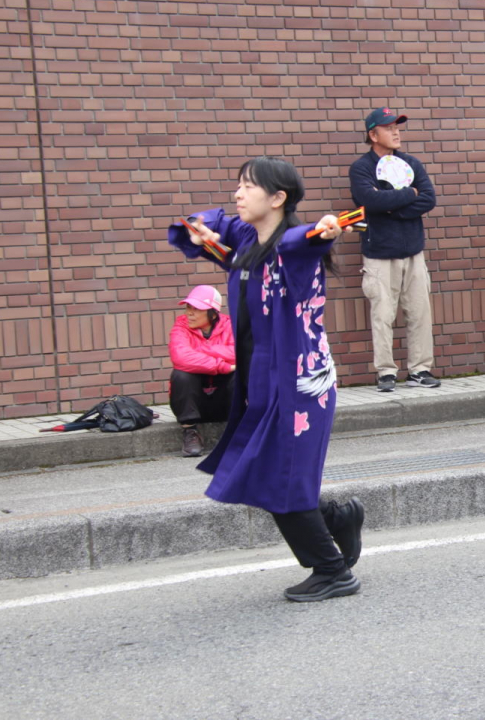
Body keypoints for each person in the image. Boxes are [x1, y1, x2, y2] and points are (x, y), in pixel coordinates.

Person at [169, 156, 365, 603]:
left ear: (278, 198)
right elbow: (208, 223)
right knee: (267, 472)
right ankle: (335, 519)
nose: (238, 194)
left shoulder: (293, 246)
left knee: (279, 478)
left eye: (248, 186)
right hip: (261, 379)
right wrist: (200, 229)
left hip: (299, 386)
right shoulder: (245, 239)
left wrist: (328, 228)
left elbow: (311, 236)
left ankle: (332, 571)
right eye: (238, 184)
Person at [350, 107, 441, 391]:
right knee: (382, 315)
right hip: (378, 254)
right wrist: (408, 195)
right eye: (389, 128)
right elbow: (369, 201)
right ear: (373, 134)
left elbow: (428, 199)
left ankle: (419, 370)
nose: (396, 132)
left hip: (413, 251)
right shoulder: (361, 168)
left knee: (419, 313)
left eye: (397, 127)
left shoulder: (411, 163)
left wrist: (391, 208)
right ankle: (386, 372)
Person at [168, 284, 235, 457]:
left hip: (224, 402)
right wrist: (222, 366)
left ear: (213, 313)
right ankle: (190, 432)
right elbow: (180, 357)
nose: (189, 313)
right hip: (194, 404)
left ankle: (235, 431)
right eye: (188, 308)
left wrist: (199, 350)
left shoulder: (231, 325)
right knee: (181, 374)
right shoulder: (181, 326)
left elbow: (239, 353)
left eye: (196, 309)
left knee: (238, 375)